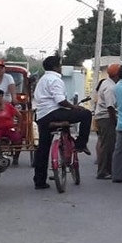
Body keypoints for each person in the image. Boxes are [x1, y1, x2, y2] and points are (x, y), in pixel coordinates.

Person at [31, 55, 93, 190]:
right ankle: (81, 144)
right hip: (54, 113)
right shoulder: (55, 80)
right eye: (60, 65)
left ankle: (39, 181)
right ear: (56, 67)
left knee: (43, 148)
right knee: (86, 114)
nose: (61, 68)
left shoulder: (42, 80)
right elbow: (60, 100)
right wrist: (74, 107)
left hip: (42, 116)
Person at [93, 64, 120, 180]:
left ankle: (106, 169)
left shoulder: (106, 83)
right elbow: (110, 107)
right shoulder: (110, 87)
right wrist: (114, 121)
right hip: (106, 118)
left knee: (107, 144)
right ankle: (103, 171)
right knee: (108, 145)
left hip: (103, 117)